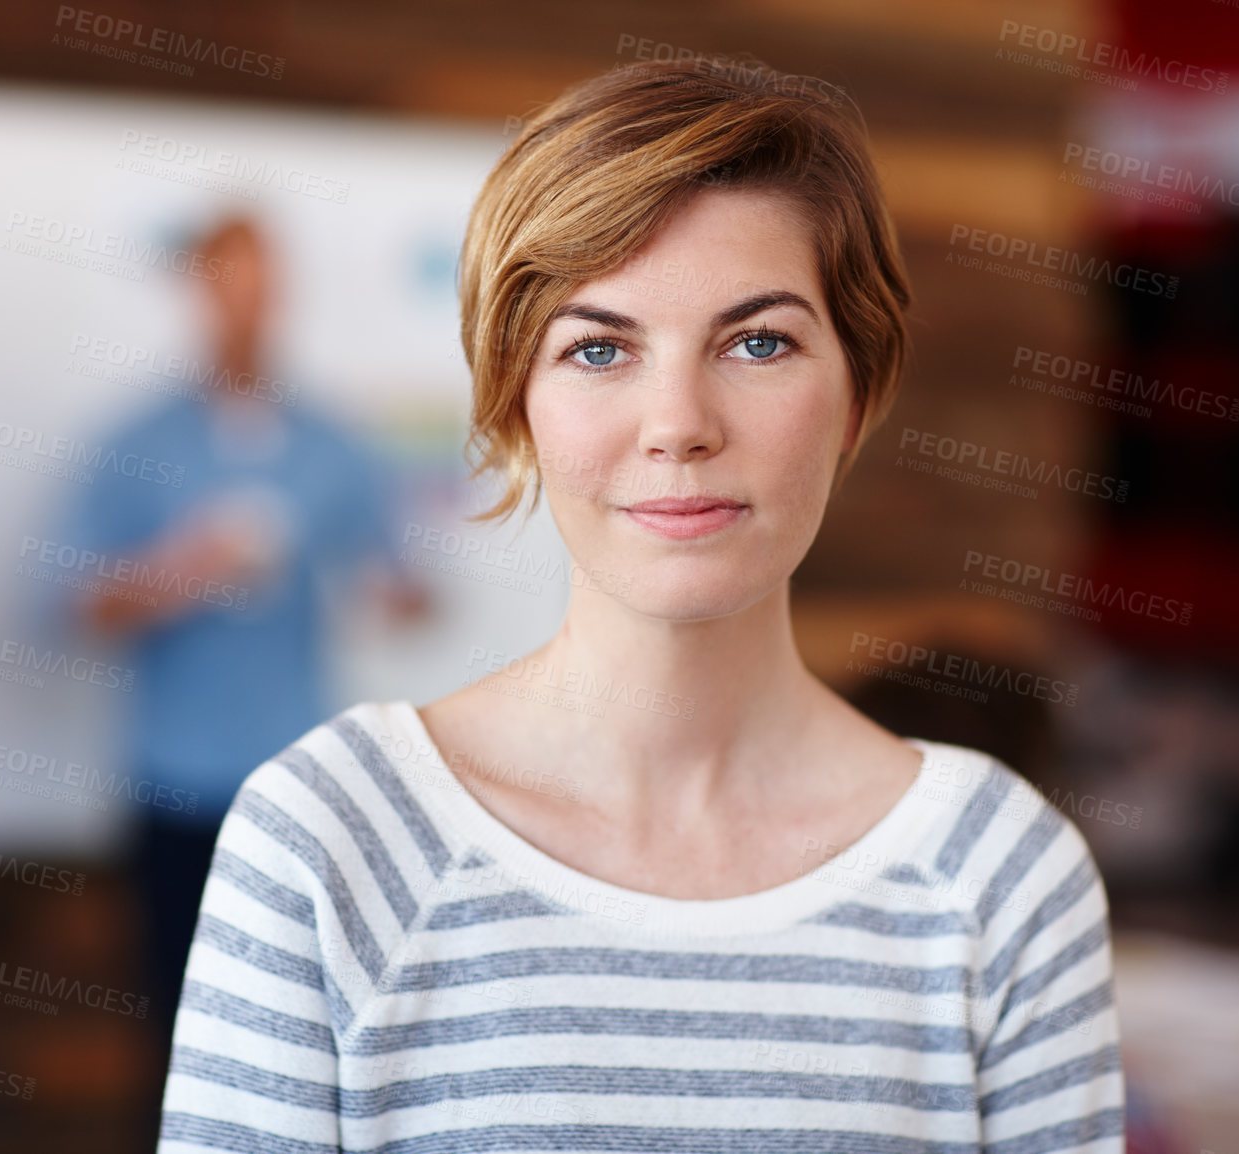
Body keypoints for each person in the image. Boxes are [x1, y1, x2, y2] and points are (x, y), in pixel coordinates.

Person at [158, 59, 1124, 1152]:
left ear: (854, 396)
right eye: (598, 347)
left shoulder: (1002, 878)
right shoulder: (325, 840)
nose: (677, 423)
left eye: (758, 342)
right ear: (516, 408)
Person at [64, 218, 424, 1076]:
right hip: (177, 785)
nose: (249, 305)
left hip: (299, 787)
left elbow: (398, 578)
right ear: (197, 290)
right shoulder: (138, 443)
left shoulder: (330, 441)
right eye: (230, 282)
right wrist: (181, 570)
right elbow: (80, 607)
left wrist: (397, 594)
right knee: (181, 1035)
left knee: (296, 1038)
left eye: (264, 284)